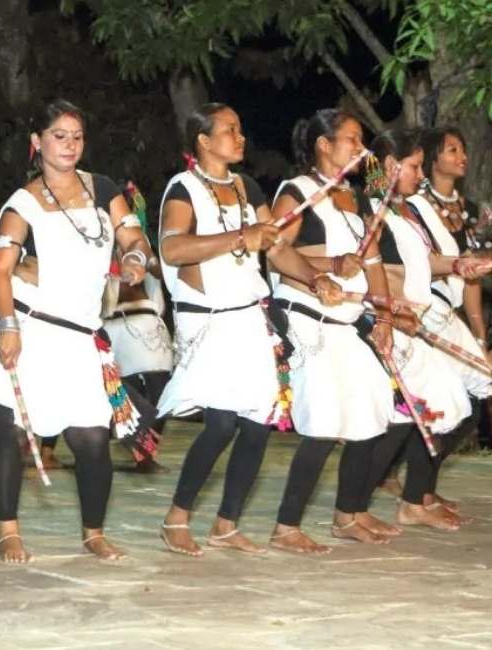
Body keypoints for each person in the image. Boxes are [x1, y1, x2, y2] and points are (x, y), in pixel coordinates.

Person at [0, 99, 157, 562]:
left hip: (81, 334)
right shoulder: (22, 202)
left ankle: (94, 531)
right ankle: (8, 530)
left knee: (92, 439)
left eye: (77, 136)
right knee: (12, 430)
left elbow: (135, 238)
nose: (69, 145)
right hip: (32, 327)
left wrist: (134, 259)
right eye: (59, 136)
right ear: (37, 142)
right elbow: (1, 270)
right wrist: (8, 328)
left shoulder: (104, 188)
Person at [156, 103, 341, 557]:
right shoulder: (182, 189)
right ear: (203, 139)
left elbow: (275, 250)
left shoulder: (248, 187)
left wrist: (316, 278)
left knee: (259, 423)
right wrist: (242, 237)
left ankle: (226, 523)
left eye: (240, 129)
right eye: (230, 130)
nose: (240, 137)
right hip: (210, 320)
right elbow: (174, 247)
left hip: (250, 317)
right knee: (220, 423)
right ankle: (176, 517)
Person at [264, 109, 399, 554]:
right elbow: (274, 252)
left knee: (372, 405)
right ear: (324, 144)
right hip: (307, 315)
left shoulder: (356, 198)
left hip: (349, 318)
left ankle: (348, 514)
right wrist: (325, 271)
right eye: (352, 139)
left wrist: (383, 318)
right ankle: (286, 526)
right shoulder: (297, 192)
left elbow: (373, 263)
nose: (362, 149)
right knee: (323, 419)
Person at [365, 128, 491, 532]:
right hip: (403, 321)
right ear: (390, 166)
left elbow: (424, 262)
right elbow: (378, 271)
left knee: (447, 406)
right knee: (428, 410)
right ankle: (380, 497)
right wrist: (396, 310)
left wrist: (456, 266)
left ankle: (409, 495)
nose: (419, 175)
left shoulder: (404, 210)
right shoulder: (372, 211)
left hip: (425, 315)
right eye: (415, 166)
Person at [102, 182, 173, 473]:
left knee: (160, 394)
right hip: (110, 326)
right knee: (118, 392)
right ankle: (134, 444)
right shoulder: (100, 243)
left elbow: (157, 269)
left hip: (145, 326)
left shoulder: (141, 246)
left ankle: (144, 451)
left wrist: (137, 252)